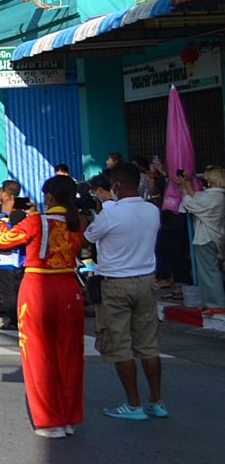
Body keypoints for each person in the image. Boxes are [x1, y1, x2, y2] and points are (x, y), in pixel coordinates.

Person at [0, 175, 85, 438]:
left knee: (38, 355)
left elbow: (3, 241)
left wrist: (4, 215)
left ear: (49, 197)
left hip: (39, 288)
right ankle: (68, 418)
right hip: (69, 289)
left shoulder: (36, 221)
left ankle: (49, 420)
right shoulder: (76, 223)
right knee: (69, 356)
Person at [84, 163, 166, 421]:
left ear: (116, 186)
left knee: (121, 346)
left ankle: (134, 404)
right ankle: (156, 401)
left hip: (116, 283)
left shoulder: (110, 214)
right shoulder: (152, 211)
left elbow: (89, 236)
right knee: (149, 346)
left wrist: (103, 207)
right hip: (146, 281)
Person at [175, 165, 225, 311]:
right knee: (213, 271)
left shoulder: (213, 197)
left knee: (209, 273)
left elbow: (191, 203)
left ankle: (216, 304)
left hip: (206, 238)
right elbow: (197, 197)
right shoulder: (217, 196)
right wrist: (188, 184)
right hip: (214, 237)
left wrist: (183, 189)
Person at [0, 180, 27, 331]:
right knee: (17, 290)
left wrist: (4, 215)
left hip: (8, 259)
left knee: (8, 292)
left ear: (5, 194)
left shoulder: (9, 215)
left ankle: (14, 320)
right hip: (21, 260)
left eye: (1, 192)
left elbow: (1, 239)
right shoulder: (24, 214)